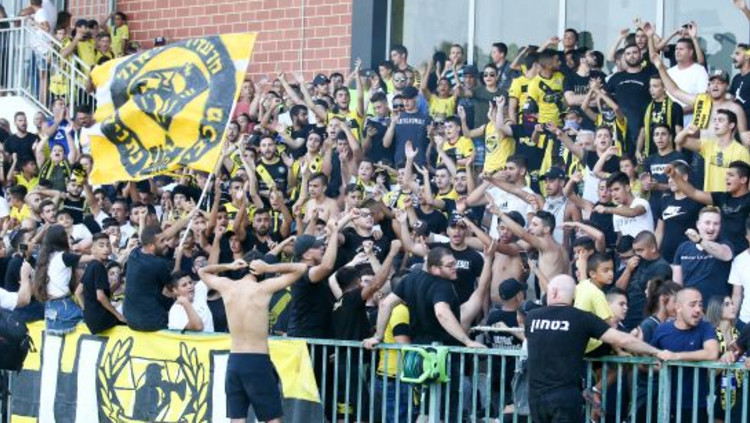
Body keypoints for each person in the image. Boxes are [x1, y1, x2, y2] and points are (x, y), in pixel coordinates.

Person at [525, 274, 672, 423]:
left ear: (554, 292)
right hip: (565, 397)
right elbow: (622, 339)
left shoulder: (532, 317)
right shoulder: (582, 318)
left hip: (535, 396)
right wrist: (656, 351)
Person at [199, 258, 307, 423]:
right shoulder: (263, 288)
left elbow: (202, 271)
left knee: (237, 419)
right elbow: (301, 268)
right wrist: (269, 268)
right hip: (257, 361)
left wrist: (228, 266)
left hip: (235, 362)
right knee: (272, 419)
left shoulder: (227, 286)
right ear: (259, 272)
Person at [650, 288, 719, 421]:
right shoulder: (662, 329)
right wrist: (659, 365)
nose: (698, 309)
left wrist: (676, 356)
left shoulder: (705, 327)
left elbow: (711, 353)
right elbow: (647, 361)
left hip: (696, 405)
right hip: (665, 403)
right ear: (678, 307)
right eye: (692, 305)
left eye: (700, 304)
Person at [672, 206, 734, 303]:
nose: (711, 228)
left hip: (716, 308)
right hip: (691, 306)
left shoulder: (725, 244)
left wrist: (700, 240)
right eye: (707, 223)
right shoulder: (683, 248)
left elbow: (726, 255)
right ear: (698, 224)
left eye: (716, 224)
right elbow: (677, 284)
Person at [123, 224, 173, 331]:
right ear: (151, 246)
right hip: (151, 321)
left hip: (130, 319)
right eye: (162, 241)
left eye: (166, 239)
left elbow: (152, 237)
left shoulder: (134, 254)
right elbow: (172, 288)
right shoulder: (159, 264)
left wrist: (187, 219)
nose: (167, 243)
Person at [705, 295, 744, 421]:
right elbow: (708, 372)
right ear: (717, 308)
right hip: (716, 390)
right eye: (727, 304)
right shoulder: (710, 334)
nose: (732, 307)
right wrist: (723, 360)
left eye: (732, 303)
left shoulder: (739, 334)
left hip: (738, 390)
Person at [80, 233, 125, 334]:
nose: (105, 249)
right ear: (93, 249)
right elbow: (100, 296)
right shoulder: (98, 267)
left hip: (90, 320)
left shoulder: (90, 265)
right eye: (101, 246)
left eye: (108, 245)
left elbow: (78, 293)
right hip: (101, 319)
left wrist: (86, 312)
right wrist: (118, 316)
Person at [730, 217, 750, 329]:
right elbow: (737, 295)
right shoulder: (739, 260)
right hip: (745, 321)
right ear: (747, 237)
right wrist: (731, 322)